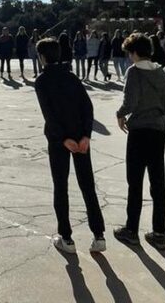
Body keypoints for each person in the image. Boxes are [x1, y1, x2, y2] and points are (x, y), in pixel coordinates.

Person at [34, 38, 106, 254]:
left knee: (61, 186)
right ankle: (99, 234)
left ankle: (66, 237)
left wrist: (63, 138)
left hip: (59, 140)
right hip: (80, 137)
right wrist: (86, 135)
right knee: (87, 185)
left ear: (42, 57)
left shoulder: (42, 81)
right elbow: (87, 107)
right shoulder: (72, 77)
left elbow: (49, 114)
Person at [113, 34, 165, 250]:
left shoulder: (134, 72)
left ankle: (132, 229)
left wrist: (121, 114)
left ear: (134, 52)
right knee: (157, 183)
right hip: (157, 130)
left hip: (139, 131)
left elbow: (129, 101)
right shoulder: (161, 72)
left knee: (135, 182)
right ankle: (159, 232)